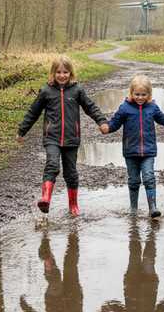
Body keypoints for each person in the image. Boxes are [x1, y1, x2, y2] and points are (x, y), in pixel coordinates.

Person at [17, 54, 106, 215]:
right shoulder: (46, 91)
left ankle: (73, 205)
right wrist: (22, 131)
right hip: (52, 137)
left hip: (72, 139)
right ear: (53, 73)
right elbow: (33, 112)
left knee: (70, 172)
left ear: (71, 74)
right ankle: (45, 198)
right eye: (58, 72)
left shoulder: (77, 90)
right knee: (52, 164)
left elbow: (90, 107)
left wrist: (101, 121)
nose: (62, 75)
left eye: (65, 72)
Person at [102, 74, 164, 217]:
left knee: (149, 177)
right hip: (131, 151)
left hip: (148, 151)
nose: (140, 97)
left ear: (149, 94)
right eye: (137, 94)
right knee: (134, 180)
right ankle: (133, 209)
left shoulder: (152, 107)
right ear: (131, 93)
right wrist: (107, 128)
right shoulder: (125, 108)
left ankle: (152, 207)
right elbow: (115, 123)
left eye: (143, 94)